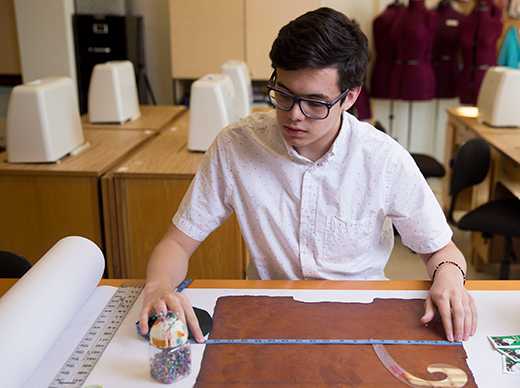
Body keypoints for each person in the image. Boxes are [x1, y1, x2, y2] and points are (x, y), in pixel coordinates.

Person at [139, 7, 477, 344]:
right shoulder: (236, 146)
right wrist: (158, 288)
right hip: (269, 317)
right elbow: (177, 242)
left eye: (315, 103)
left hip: (359, 318)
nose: (293, 116)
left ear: (351, 96)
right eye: (283, 95)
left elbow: (441, 251)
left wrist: (449, 278)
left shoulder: (383, 159)